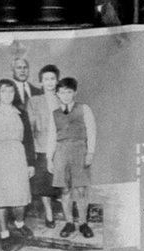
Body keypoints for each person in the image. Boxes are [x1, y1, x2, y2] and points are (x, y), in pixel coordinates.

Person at [0, 78, 36, 251]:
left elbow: (28, 140)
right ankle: (4, 234)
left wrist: (31, 163)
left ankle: (19, 223)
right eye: (4, 91)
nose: (8, 94)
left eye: (11, 91)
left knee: (20, 197)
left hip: (18, 157)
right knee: (0, 198)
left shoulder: (21, 113)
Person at [47, 76, 97, 240]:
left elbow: (91, 131)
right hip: (61, 152)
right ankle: (69, 222)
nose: (66, 95)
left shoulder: (84, 109)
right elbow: (51, 137)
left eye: (69, 92)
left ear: (74, 92)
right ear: (57, 94)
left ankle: (83, 223)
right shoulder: (54, 114)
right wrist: (49, 158)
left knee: (81, 189)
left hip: (79, 150)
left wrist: (90, 152)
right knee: (65, 190)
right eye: (62, 92)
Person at [27, 64, 62, 228]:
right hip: (41, 147)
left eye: (52, 78)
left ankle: (67, 216)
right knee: (44, 185)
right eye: (46, 79)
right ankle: (49, 213)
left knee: (64, 182)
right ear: (41, 82)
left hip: (62, 148)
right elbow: (30, 127)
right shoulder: (34, 101)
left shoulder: (64, 98)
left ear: (57, 81)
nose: (49, 82)